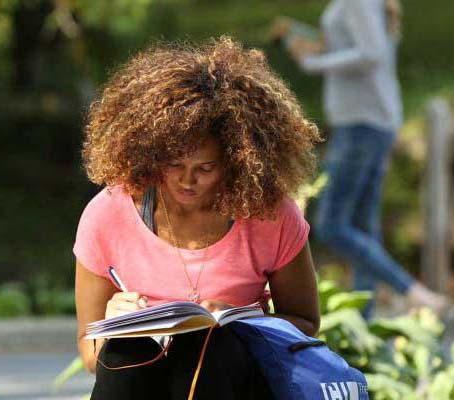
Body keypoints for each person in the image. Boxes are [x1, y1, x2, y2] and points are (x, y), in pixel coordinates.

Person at [73, 36, 322, 399]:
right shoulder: (108, 213)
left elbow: (305, 323)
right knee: (127, 348)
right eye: (174, 165)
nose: (187, 180)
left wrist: (244, 324)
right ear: (150, 154)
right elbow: (91, 355)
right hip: (140, 382)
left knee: (215, 345)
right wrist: (113, 326)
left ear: (238, 161)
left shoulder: (269, 214)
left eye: (205, 168)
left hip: (234, 380)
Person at [278, 0, 449, 319]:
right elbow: (363, 48)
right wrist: (321, 46)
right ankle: (364, 324)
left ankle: (413, 291)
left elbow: (372, 54)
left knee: (332, 224)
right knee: (362, 227)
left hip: (361, 123)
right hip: (372, 120)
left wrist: (316, 63)